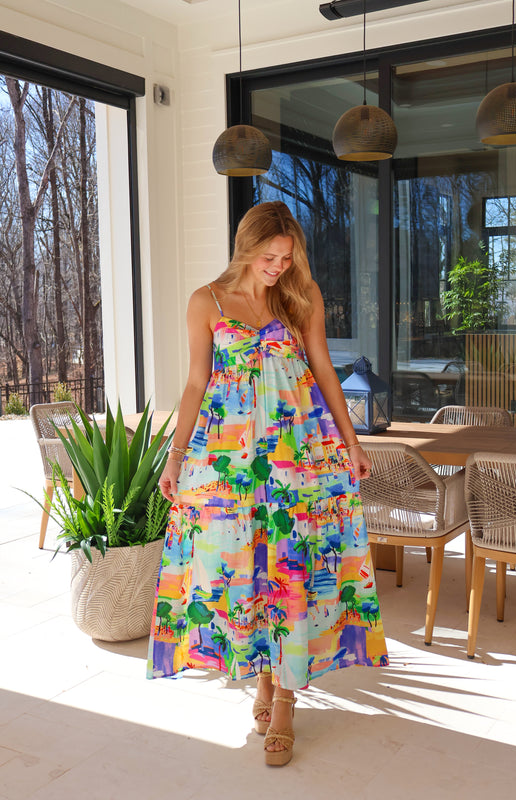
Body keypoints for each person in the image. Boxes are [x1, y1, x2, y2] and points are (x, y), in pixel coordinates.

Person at [147, 201, 388, 766]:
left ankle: (284, 699)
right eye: (270, 257)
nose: (279, 266)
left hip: (297, 453)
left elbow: (323, 369)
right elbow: (196, 382)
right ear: (246, 248)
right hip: (227, 460)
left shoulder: (300, 296)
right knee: (239, 564)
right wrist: (176, 457)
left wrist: (352, 443)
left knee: (289, 563)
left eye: (287, 257)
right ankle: (261, 674)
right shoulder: (206, 301)